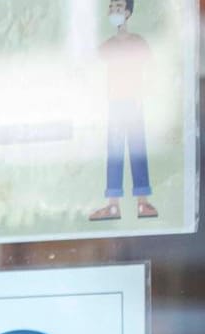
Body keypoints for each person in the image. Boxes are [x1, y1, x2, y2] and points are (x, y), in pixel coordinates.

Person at [89, 0, 157, 221]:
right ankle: (113, 205)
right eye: (111, 7)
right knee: (115, 152)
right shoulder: (107, 46)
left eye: (118, 7)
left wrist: (142, 95)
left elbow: (149, 72)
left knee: (138, 151)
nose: (113, 11)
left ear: (127, 12)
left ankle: (142, 202)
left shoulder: (138, 43)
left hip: (134, 102)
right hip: (115, 103)